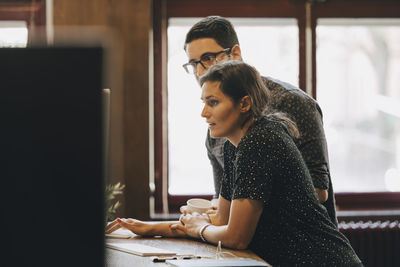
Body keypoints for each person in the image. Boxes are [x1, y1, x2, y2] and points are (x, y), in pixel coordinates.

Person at [107, 61, 362, 266]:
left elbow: (236, 237)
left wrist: (198, 229)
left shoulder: (261, 139)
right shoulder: (234, 145)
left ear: (244, 103)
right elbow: (221, 222)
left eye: (213, 102)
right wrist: (148, 229)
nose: (204, 113)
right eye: (204, 102)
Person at [181, 16, 337, 226]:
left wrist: (242, 207)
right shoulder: (218, 126)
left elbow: (317, 192)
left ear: (235, 54)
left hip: (304, 243)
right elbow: (224, 201)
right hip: (250, 248)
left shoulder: (292, 102)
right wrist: (206, 212)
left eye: (208, 58)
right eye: (194, 64)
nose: (200, 72)